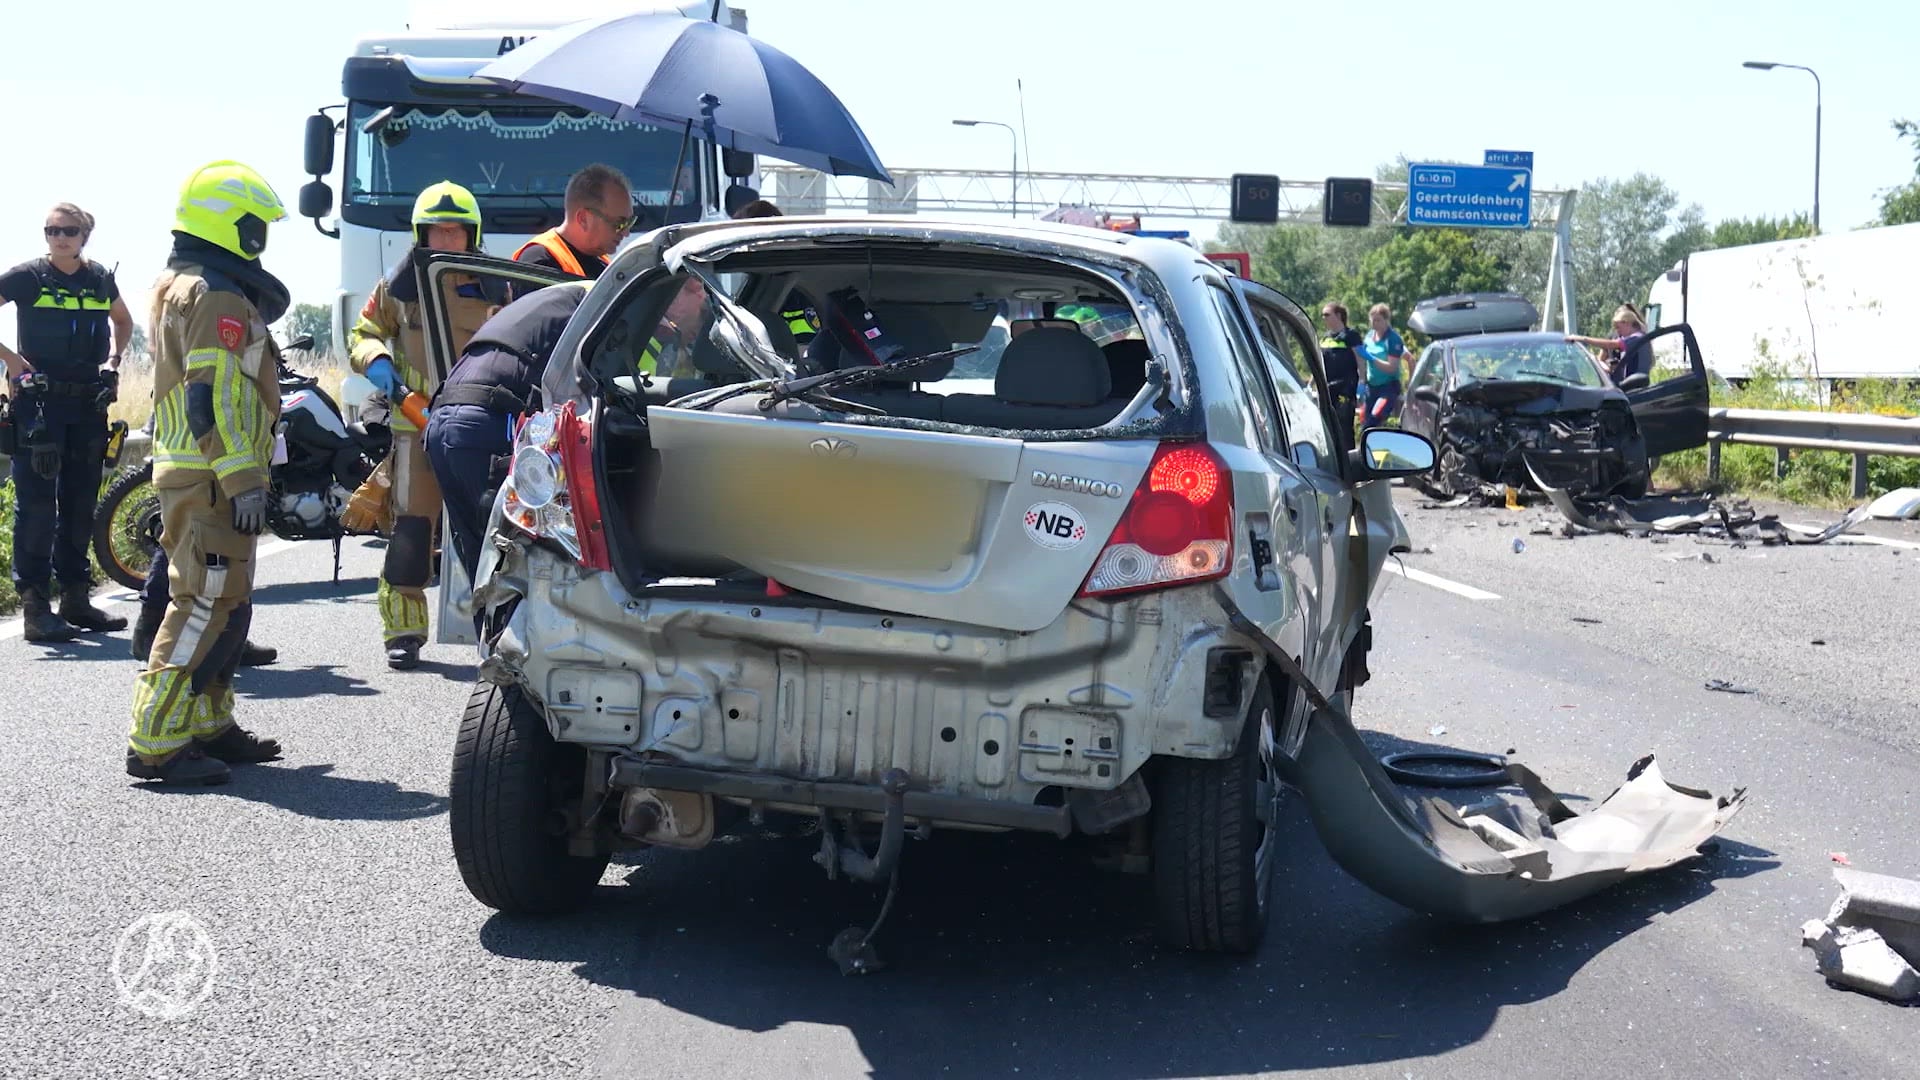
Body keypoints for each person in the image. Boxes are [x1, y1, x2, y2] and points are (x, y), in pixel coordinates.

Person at [128, 160, 290, 786]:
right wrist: (243, 477)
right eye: (254, 225)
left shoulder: (178, 282)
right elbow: (213, 394)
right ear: (229, 223)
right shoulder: (215, 293)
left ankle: (207, 721)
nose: (260, 237)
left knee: (227, 599)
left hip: (197, 470)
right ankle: (156, 740)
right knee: (200, 601)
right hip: (212, 475)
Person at [348, 181, 495, 669]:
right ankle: (404, 632)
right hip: (416, 425)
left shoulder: (498, 283)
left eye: (456, 233)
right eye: (438, 232)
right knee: (411, 529)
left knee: (489, 527)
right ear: (421, 234)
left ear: (471, 235)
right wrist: (379, 366)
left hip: (479, 424)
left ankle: (495, 628)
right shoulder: (397, 287)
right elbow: (364, 334)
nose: (447, 241)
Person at [0, 203, 137, 642]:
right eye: (52, 230)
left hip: (87, 406)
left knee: (80, 503)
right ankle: (36, 607)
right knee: (38, 507)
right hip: (38, 407)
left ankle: (76, 598)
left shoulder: (99, 277)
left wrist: (114, 360)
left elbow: (123, 320)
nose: (59, 237)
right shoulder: (26, 275)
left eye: (69, 230)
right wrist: (12, 360)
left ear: (85, 236)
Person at [423, 282, 591, 596]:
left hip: (441, 421)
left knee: (480, 560)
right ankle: (514, 639)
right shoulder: (594, 306)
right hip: (485, 422)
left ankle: (490, 641)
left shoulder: (549, 304)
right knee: (511, 556)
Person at [512, 164, 633, 280]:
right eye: (619, 223)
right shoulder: (540, 261)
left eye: (630, 222)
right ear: (583, 219)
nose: (626, 232)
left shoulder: (601, 261)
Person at [1318, 302, 1365, 453]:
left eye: (1327, 314)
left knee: (1344, 424)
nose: (1323, 318)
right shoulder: (1325, 338)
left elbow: (1360, 360)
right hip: (1328, 388)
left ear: (1338, 316)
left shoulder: (1351, 336)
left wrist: (1362, 383)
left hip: (1346, 387)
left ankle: (1350, 461)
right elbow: (1319, 362)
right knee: (1328, 425)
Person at [1568, 305, 1651, 384]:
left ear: (1627, 324)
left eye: (1618, 327)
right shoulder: (1628, 337)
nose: (1617, 331)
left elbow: (1612, 344)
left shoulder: (1637, 338)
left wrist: (1583, 339)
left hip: (1636, 385)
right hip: (1630, 384)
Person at [1358, 302, 1410, 428]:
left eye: (1378, 320)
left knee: (1376, 417)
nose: (1375, 323)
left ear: (1386, 320)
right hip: (1372, 387)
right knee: (1365, 421)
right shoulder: (1369, 336)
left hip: (1388, 387)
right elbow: (1361, 358)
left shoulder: (1392, 339)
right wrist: (1362, 380)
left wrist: (1372, 359)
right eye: (1373, 320)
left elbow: (1392, 368)